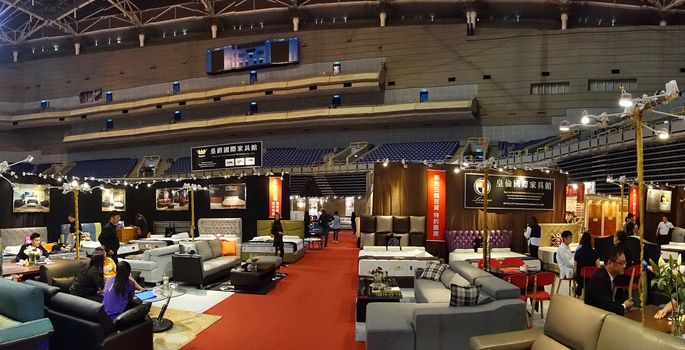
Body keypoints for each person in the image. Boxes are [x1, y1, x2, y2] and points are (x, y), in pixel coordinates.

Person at [584, 247, 633, 315]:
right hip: (594, 316)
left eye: (625, 263)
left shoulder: (610, 275)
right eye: (621, 263)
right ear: (609, 263)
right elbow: (608, 308)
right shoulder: (599, 280)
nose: (624, 266)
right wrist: (624, 306)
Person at [574, 231, 600, 297]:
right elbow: (598, 267)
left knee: (579, 275)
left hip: (580, 279)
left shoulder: (578, 252)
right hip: (591, 279)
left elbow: (575, 268)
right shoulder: (595, 252)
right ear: (590, 241)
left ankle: (578, 294)